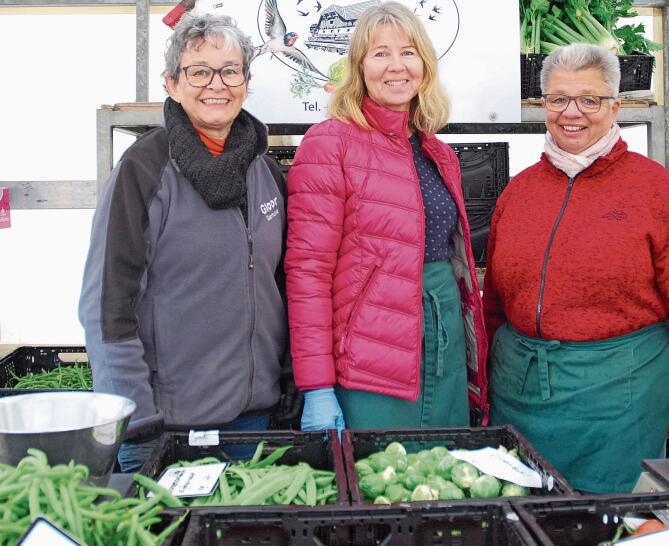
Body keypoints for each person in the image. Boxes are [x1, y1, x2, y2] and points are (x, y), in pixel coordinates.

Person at [482, 43, 669, 493]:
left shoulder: (654, 189)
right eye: (558, 99)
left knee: (605, 516)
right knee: (518, 508)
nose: (571, 112)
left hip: (619, 392)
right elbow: (494, 303)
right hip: (519, 391)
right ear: (543, 106)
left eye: (589, 100)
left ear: (615, 107)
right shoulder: (519, 191)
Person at [79, 13, 289, 472]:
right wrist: (135, 418)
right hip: (167, 428)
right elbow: (106, 307)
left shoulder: (265, 171)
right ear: (172, 85)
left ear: (246, 83)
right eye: (199, 71)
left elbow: (279, 284)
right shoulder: (144, 169)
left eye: (230, 70)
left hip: (254, 420)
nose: (217, 84)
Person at [284, 1, 488, 432]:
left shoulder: (438, 151)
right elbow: (308, 274)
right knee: (382, 482)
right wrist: (317, 386)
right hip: (370, 353)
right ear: (358, 67)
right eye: (380, 54)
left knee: (443, 481)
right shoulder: (328, 144)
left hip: (443, 338)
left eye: (408, 52)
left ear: (425, 65)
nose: (396, 66)